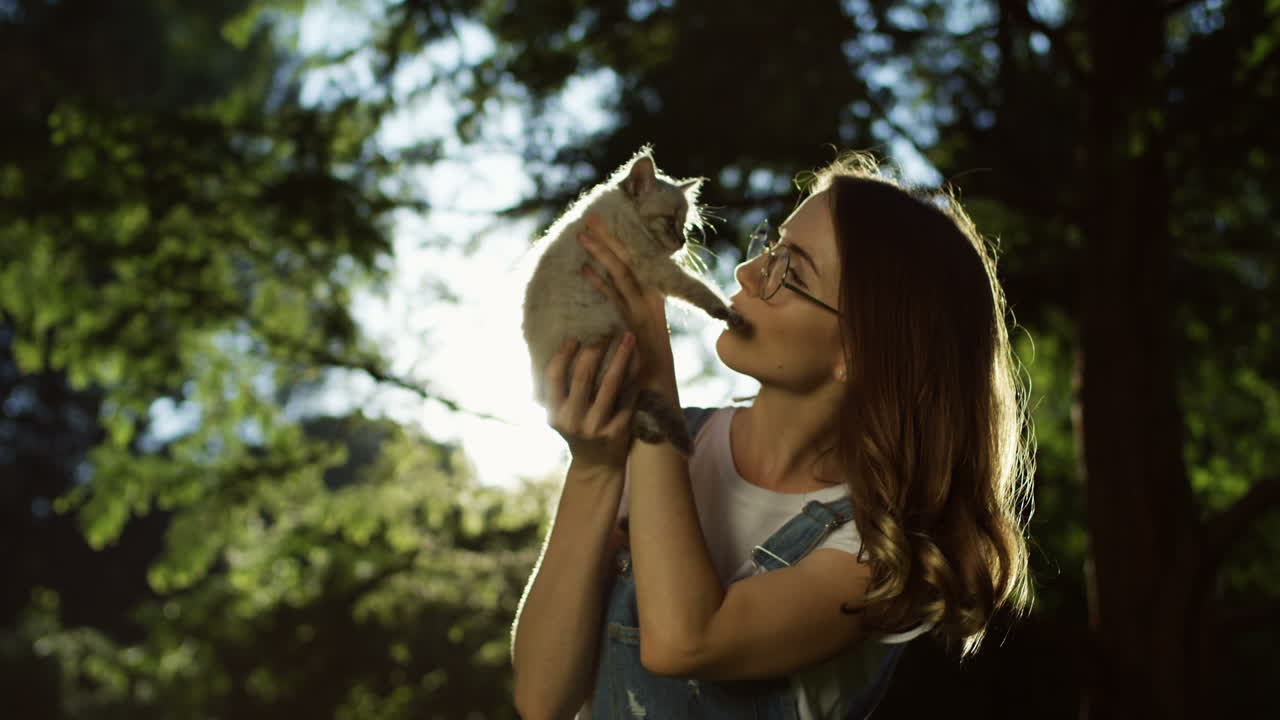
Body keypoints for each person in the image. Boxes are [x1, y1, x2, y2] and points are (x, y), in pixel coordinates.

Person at [510, 152, 1036, 720]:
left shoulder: (878, 556)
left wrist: (651, 367)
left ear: (859, 352)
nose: (747, 272)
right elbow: (543, 700)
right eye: (771, 245)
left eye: (791, 269)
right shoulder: (649, 442)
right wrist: (594, 469)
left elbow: (685, 641)